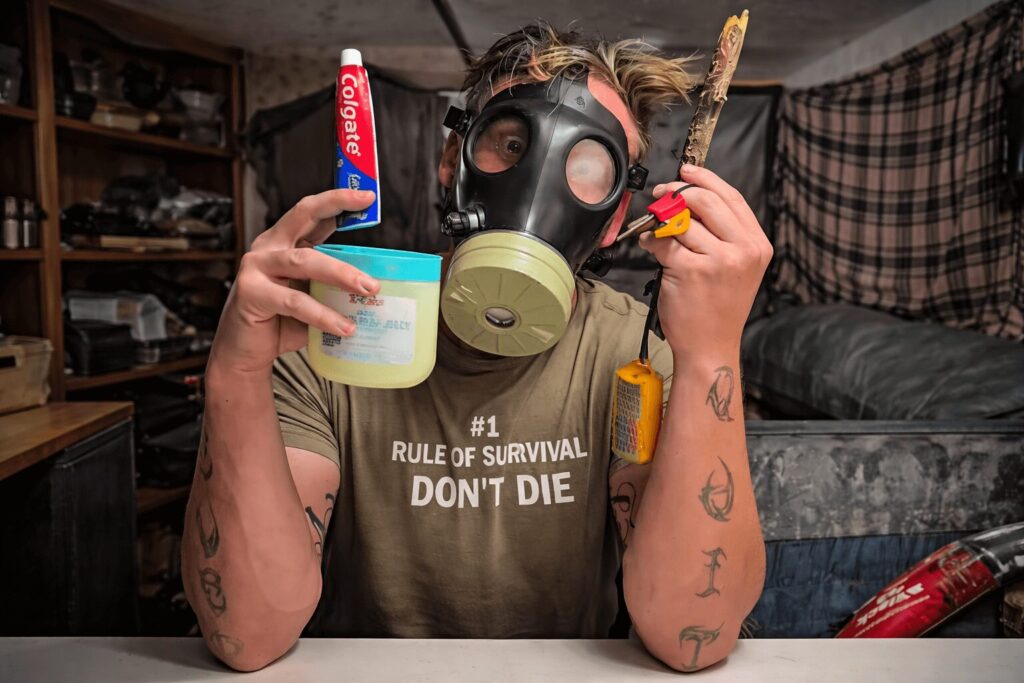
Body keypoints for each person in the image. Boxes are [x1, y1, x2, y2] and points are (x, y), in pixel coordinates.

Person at [183, 23, 770, 673]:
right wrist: (235, 374)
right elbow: (248, 634)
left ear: (613, 216)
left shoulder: (635, 353)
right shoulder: (331, 328)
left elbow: (694, 632)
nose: (536, 186)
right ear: (451, 161)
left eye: (587, 167)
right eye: (511, 143)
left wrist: (712, 352)